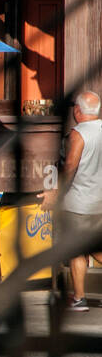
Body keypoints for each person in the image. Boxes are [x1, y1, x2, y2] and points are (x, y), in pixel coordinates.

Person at [43, 91, 102, 311]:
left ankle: (79, 298)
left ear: (77, 111)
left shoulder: (78, 134)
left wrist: (56, 191)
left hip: (80, 203)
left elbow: (70, 167)